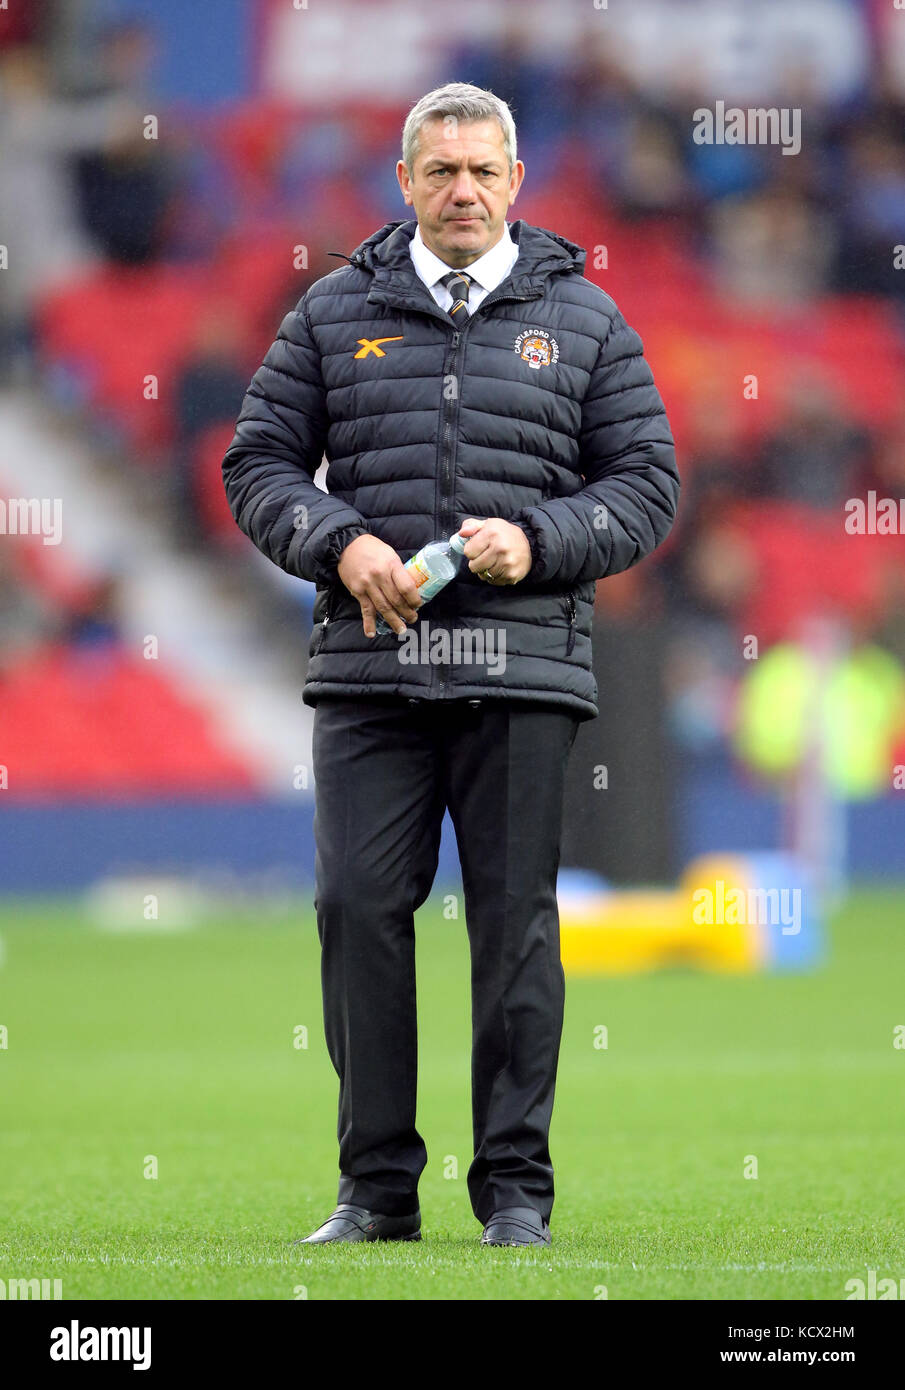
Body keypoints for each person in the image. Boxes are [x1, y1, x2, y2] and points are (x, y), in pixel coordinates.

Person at [222, 82, 679, 1247]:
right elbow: (258, 464)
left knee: (511, 927)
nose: (463, 189)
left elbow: (644, 486)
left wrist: (540, 540)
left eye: (483, 170)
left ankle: (514, 1192)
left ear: (515, 182)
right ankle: (374, 1193)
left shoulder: (586, 319)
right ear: (406, 184)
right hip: (371, 673)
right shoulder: (330, 311)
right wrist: (339, 540)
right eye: (441, 172)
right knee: (354, 910)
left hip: (520, 669)